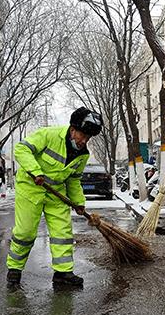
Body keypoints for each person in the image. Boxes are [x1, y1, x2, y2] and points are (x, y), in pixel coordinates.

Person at [6, 107, 102, 291]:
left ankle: (63, 273)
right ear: (72, 129)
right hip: (31, 188)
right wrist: (36, 171)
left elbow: (74, 180)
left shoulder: (83, 155)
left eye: (88, 138)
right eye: (82, 135)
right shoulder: (49, 135)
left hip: (56, 192)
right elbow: (22, 149)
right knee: (25, 233)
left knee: (62, 233)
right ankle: (14, 269)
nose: (84, 141)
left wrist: (78, 203)